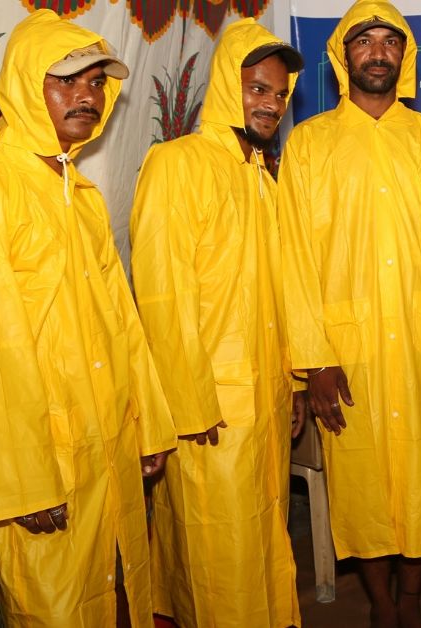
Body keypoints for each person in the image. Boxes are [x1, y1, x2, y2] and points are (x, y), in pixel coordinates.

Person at [276, 3, 421, 627]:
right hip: (348, 355)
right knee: (364, 488)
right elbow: (295, 259)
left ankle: (410, 603)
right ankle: (379, 606)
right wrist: (313, 360)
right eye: (363, 42)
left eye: (389, 42)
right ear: (344, 57)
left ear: (406, 57)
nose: (377, 52)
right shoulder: (311, 144)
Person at [0, 10, 176, 627]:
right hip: (45, 457)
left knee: (118, 593)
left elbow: (123, 325)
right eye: (66, 80)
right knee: (54, 607)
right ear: (28, 83)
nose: (86, 95)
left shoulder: (80, 196)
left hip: (106, 435)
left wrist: (145, 425)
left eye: (97, 83)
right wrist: (25, 481)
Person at [129, 19, 307, 628]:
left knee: (260, 542)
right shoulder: (177, 164)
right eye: (258, 89)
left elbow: (281, 294)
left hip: (265, 398)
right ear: (228, 88)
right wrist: (188, 403)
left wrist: (294, 383)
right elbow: (161, 296)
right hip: (209, 408)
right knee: (214, 555)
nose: (271, 104)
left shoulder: (263, 176)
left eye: (280, 94)